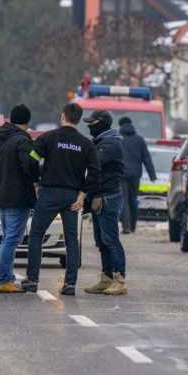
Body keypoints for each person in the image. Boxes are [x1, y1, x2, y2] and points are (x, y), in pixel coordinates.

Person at [23, 102, 99, 296]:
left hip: (48, 193)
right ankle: (70, 284)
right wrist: (83, 195)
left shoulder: (48, 138)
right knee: (72, 241)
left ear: (63, 116)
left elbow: (32, 159)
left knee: (36, 235)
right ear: (79, 119)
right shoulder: (86, 144)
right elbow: (94, 172)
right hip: (72, 196)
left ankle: (32, 280)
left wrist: (35, 182)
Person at [0, 104, 40, 294]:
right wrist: (37, 179)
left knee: (7, 237)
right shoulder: (22, 141)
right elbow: (31, 165)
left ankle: (4, 276)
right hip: (17, 195)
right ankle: (5, 279)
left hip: (0, 193)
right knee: (12, 238)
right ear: (27, 121)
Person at [82, 110, 128, 295]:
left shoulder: (110, 144)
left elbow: (93, 165)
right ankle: (106, 278)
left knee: (110, 239)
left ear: (101, 124)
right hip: (99, 196)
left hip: (108, 197)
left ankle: (120, 280)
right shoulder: (101, 142)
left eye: (91, 123)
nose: (89, 127)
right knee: (101, 241)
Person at [117, 116, 156, 234]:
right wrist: (152, 175)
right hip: (135, 175)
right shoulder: (139, 140)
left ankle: (126, 227)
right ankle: (133, 226)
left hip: (121, 174)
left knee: (123, 200)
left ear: (120, 126)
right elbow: (146, 158)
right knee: (133, 199)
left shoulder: (118, 139)